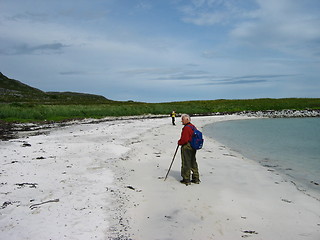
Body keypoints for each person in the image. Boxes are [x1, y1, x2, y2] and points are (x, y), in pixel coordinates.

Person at [177, 114, 200, 185]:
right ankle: (196, 178)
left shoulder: (186, 128)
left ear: (187, 120)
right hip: (193, 146)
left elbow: (185, 139)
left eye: (183, 119)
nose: (181, 121)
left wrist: (179, 142)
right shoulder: (193, 126)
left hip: (187, 146)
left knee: (186, 162)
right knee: (193, 161)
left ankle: (186, 179)